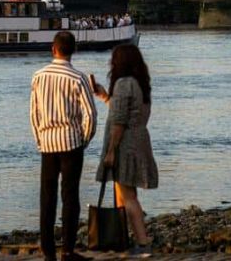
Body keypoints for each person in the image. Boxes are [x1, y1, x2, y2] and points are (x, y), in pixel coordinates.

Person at [30, 31, 97, 261]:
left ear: (53, 48)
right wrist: (84, 139)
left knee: (47, 197)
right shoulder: (78, 78)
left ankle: (48, 250)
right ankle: (68, 249)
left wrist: (40, 139)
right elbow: (90, 115)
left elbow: (34, 114)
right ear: (73, 50)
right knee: (70, 196)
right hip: (71, 143)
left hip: (47, 143)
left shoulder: (38, 76)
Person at [91, 44, 158, 256]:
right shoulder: (139, 84)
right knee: (126, 193)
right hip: (138, 141)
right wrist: (104, 96)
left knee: (128, 196)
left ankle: (142, 242)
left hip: (125, 145)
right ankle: (125, 239)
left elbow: (119, 122)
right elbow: (128, 112)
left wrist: (111, 151)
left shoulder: (122, 83)